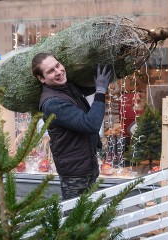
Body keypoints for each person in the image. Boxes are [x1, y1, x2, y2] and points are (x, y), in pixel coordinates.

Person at [32, 53, 112, 200]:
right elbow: (91, 124)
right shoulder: (52, 102)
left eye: (58, 65)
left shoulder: (67, 86)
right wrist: (101, 91)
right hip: (75, 172)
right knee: (75, 217)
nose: (58, 72)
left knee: (90, 212)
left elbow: (88, 87)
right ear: (41, 78)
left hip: (88, 163)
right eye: (50, 71)